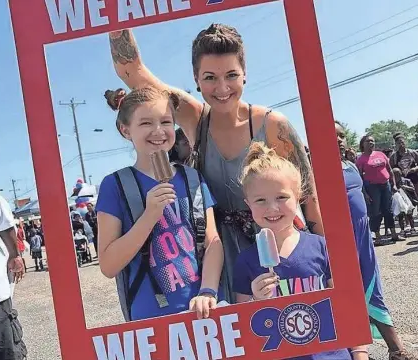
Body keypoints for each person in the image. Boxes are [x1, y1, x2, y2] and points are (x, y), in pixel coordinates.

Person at [109, 24, 323, 303]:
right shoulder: (195, 119)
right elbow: (132, 71)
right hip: (215, 256)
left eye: (231, 75)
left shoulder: (272, 125)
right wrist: (114, 19)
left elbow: (310, 199)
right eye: (210, 77)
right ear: (196, 80)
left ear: (245, 76)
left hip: (276, 245)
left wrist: (332, 264)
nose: (222, 88)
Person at [97, 86, 224, 321]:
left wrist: (208, 290)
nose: (158, 131)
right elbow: (108, 265)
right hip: (151, 316)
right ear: (126, 130)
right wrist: (149, 216)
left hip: (205, 309)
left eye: (166, 121)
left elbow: (212, 240)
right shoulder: (114, 185)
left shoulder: (192, 178)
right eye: (145, 123)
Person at [232, 142, 366, 360]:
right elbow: (244, 327)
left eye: (281, 197)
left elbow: (347, 307)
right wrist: (255, 301)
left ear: (299, 197)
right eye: (260, 200)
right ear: (249, 204)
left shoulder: (321, 247)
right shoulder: (245, 261)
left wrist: (359, 352)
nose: (272, 208)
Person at [335, 123, 413, 360]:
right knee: (345, 294)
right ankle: (359, 351)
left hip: (363, 237)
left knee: (372, 287)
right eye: (332, 136)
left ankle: (395, 350)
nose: (338, 139)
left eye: (341, 135)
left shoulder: (350, 165)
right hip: (338, 239)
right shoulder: (316, 169)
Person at [0, 181, 27, 359]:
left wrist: (14, 255)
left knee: (4, 352)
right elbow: (1, 216)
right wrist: (14, 255)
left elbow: (1, 217)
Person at [356, 135, 403, 245]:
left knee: (388, 210)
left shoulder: (380, 154)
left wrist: (393, 184)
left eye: (373, 141)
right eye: (368, 141)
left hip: (385, 185)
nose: (371, 143)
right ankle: (377, 237)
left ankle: (393, 234)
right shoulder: (361, 159)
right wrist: (365, 193)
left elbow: (389, 170)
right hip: (372, 187)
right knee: (375, 211)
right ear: (363, 144)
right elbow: (359, 178)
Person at [392, 168, 417, 236]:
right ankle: (402, 230)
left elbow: (413, 189)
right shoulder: (392, 184)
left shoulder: (407, 180)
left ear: (400, 174)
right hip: (399, 203)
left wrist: (405, 187)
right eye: (395, 174)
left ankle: (412, 228)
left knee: (410, 215)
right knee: (400, 216)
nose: (396, 176)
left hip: (408, 201)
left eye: (398, 174)